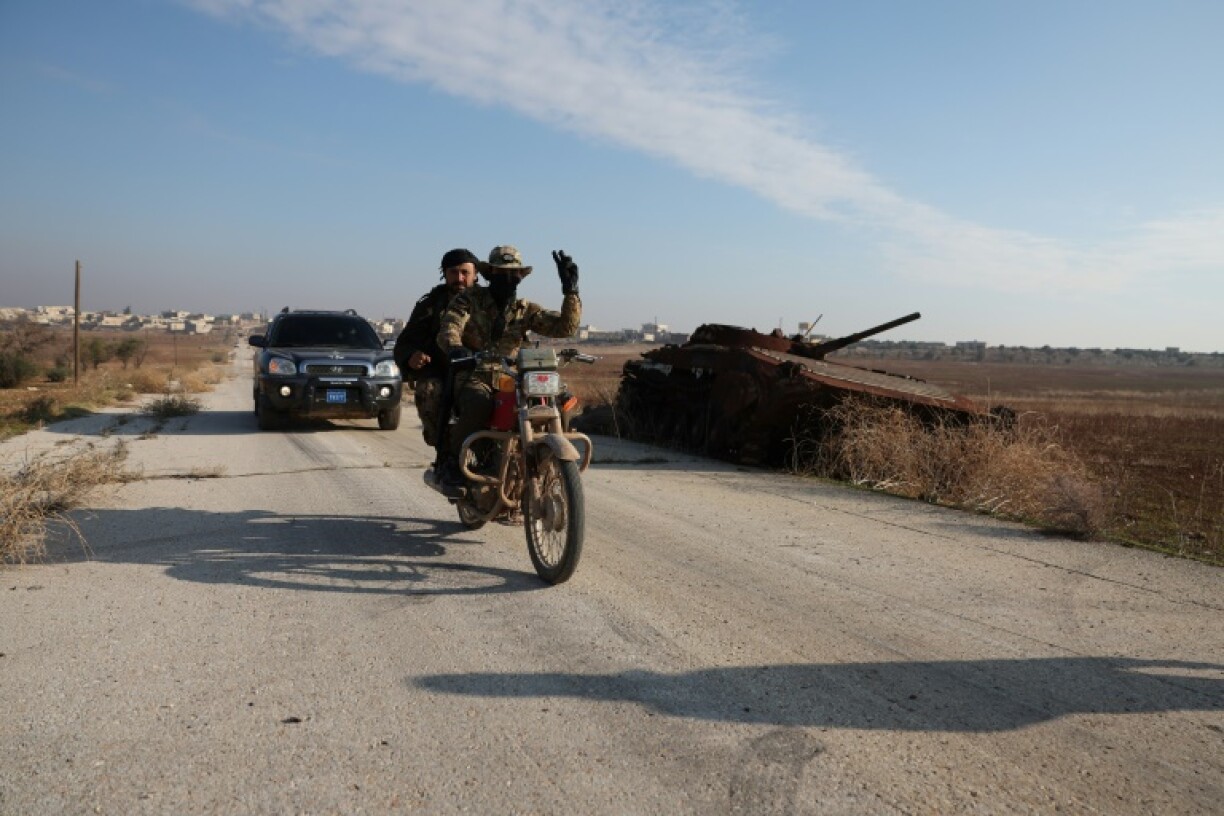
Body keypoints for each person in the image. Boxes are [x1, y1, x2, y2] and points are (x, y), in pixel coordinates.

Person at [434, 244, 581, 490]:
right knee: (477, 403)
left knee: (557, 401)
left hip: (513, 376)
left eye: (514, 274)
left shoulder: (526, 310)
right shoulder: (469, 300)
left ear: (521, 277)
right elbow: (450, 326)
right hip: (476, 372)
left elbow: (565, 328)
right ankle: (453, 462)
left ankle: (547, 461)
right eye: (501, 274)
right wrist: (456, 347)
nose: (508, 279)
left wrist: (571, 291)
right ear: (489, 274)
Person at [393, 248, 480, 450]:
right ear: (444, 274)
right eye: (453, 272)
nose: (459, 278)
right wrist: (411, 356)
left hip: (482, 370)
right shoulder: (431, 304)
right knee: (430, 390)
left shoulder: (489, 302)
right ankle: (443, 449)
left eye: (465, 273)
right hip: (442, 370)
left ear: (475, 275)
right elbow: (405, 342)